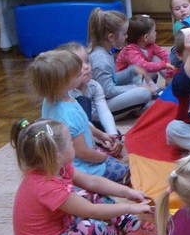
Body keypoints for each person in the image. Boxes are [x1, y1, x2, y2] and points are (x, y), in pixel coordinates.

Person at [12, 118, 156, 235]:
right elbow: (91, 211)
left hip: (63, 225)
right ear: (57, 155)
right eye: (70, 142)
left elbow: (92, 182)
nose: (73, 143)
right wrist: (130, 208)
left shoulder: (58, 167)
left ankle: (130, 224)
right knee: (89, 228)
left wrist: (127, 192)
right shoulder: (45, 187)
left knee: (88, 194)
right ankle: (120, 232)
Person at [31, 50, 128, 183]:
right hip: (80, 169)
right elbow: (83, 153)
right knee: (127, 171)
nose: (82, 72)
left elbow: (84, 123)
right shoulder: (68, 113)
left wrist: (101, 134)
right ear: (62, 82)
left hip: (76, 154)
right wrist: (105, 158)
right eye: (77, 74)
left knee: (108, 151)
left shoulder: (52, 99)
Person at [87, 8, 155, 120]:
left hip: (105, 97)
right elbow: (107, 91)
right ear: (111, 37)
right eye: (124, 34)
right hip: (97, 109)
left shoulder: (104, 51)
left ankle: (138, 106)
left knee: (136, 76)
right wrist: (136, 87)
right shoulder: (100, 59)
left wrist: (132, 71)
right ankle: (140, 107)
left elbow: (111, 80)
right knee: (143, 93)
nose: (126, 37)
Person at [58, 42, 121, 144]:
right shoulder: (65, 92)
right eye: (79, 64)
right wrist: (98, 138)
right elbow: (76, 121)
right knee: (83, 101)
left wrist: (113, 136)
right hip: (69, 129)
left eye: (87, 61)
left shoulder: (93, 86)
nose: (86, 67)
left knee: (115, 133)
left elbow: (104, 111)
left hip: (88, 124)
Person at [115, 14, 173, 87]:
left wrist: (169, 70)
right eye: (154, 31)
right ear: (146, 37)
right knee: (140, 68)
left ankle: (171, 82)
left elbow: (164, 54)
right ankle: (153, 89)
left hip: (145, 77)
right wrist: (164, 65)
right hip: (127, 82)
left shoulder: (150, 45)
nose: (156, 33)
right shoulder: (129, 51)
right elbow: (143, 66)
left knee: (157, 58)